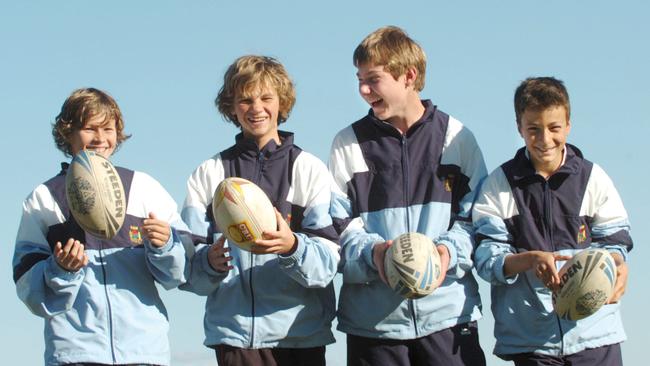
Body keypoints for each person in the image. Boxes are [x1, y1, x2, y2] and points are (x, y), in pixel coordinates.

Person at [328, 26, 488, 366]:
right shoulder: (347, 143)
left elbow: (476, 220)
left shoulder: (457, 138)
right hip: (374, 328)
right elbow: (339, 228)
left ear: (408, 76)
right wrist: (376, 254)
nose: (363, 89)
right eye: (359, 79)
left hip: (448, 320)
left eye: (373, 79)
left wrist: (446, 254)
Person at [180, 55, 340, 366]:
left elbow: (328, 264)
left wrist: (292, 247)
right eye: (245, 99)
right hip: (235, 339)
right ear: (231, 106)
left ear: (282, 102)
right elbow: (187, 270)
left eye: (266, 97)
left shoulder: (308, 169)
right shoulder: (209, 173)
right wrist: (209, 263)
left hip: (300, 335)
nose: (256, 108)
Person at [12, 88, 190, 365]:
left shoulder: (143, 187)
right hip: (75, 354)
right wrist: (61, 270)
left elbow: (179, 273)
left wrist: (165, 245)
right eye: (89, 128)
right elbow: (29, 287)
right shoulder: (44, 198)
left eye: (108, 128)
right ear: (67, 133)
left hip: (144, 353)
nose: (100, 138)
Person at [473, 76, 632, 365]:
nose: (545, 139)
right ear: (519, 127)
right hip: (533, 342)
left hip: (595, 336)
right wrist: (530, 260)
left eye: (554, 128)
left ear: (568, 125)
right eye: (533, 129)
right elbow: (485, 257)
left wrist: (616, 264)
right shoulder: (499, 185)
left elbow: (616, 242)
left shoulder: (593, 178)